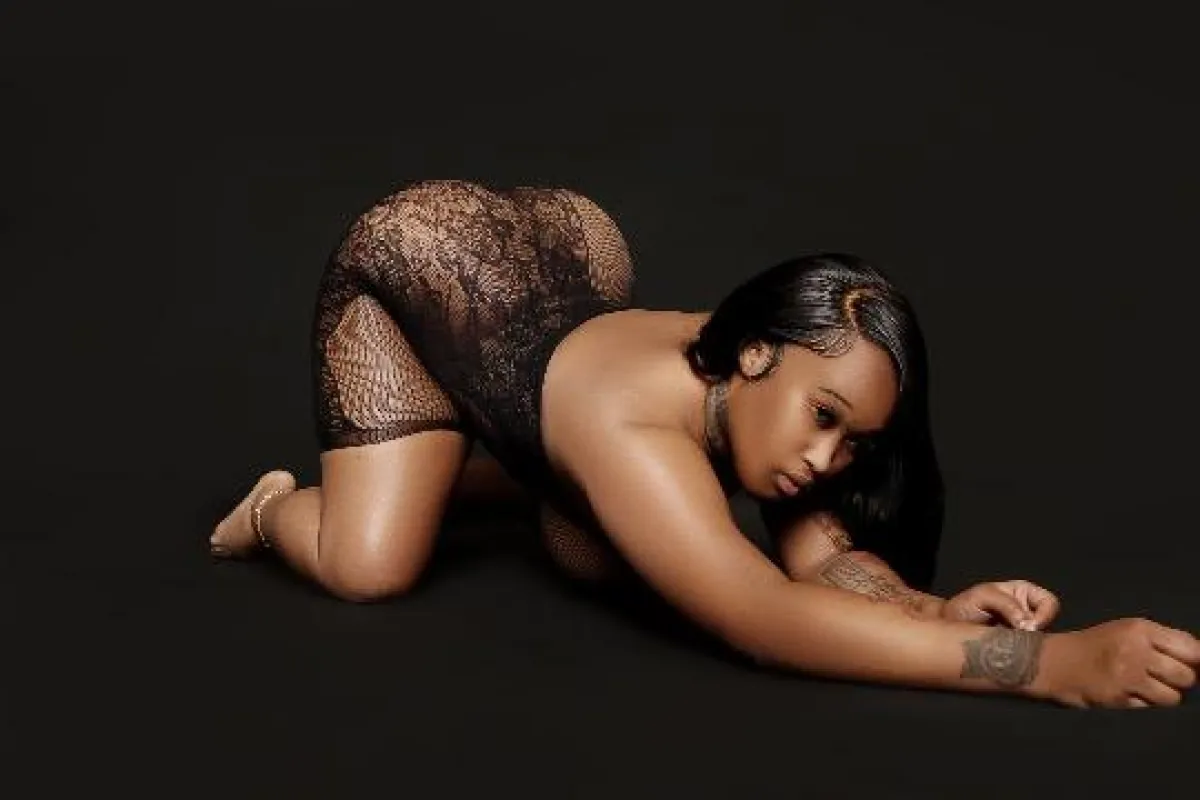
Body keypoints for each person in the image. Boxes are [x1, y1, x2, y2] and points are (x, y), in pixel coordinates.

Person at [211, 179, 1199, 709]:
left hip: (575, 244)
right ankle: (271, 509)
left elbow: (820, 565)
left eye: (855, 442)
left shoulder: (769, 392)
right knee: (370, 566)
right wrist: (1043, 666)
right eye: (825, 418)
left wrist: (938, 608)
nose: (827, 462)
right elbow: (766, 617)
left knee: (592, 549)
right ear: (755, 353)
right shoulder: (637, 432)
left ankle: (478, 472)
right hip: (420, 261)